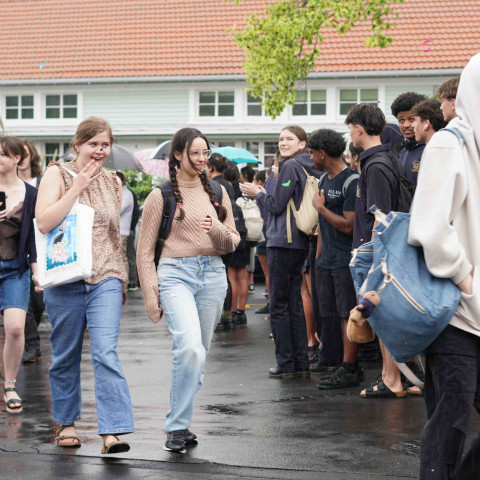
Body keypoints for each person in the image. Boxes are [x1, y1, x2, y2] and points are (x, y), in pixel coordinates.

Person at [136, 127, 239, 453]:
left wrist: (217, 229)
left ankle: (179, 419)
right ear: (178, 155)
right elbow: (143, 251)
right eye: (195, 153)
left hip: (212, 275)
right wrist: (151, 293)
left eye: (205, 153)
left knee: (198, 355)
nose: (201, 159)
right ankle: (176, 427)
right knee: (190, 349)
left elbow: (232, 242)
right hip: (175, 274)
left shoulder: (218, 193)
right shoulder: (160, 196)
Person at [35, 117, 134, 453]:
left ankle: (111, 432)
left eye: (105, 145)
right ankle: (67, 424)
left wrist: (121, 276)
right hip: (65, 277)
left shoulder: (113, 182)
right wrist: (76, 187)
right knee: (66, 353)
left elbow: (114, 236)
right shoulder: (56, 174)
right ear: (77, 144)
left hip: (105, 275)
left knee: (106, 351)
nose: (99, 150)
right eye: (93, 144)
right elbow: (45, 221)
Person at [408, 53, 480, 480]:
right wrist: (466, 280)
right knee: (450, 419)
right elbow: (430, 228)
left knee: (451, 418)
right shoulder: (450, 144)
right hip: (455, 311)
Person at [240, 125, 322, 379]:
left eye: (289, 138)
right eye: (281, 139)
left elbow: (275, 205)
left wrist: (258, 192)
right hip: (298, 240)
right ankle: (299, 361)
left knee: (278, 304)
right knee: (294, 303)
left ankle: (286, 362)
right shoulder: (305, 165)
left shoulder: (290, 166)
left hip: (282, 241)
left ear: (302, 144)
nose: (283, 142)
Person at [345, 104, 406, 398]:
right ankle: (398, 377)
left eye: (350, 129)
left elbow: (379, 217)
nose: (351, 135)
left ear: (358, 128)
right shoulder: (384, 159)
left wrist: (373, 261)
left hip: (379, 253)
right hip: (385, 251)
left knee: (382, 316)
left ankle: (391, 378)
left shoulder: (376, 164)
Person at [308, 129, 362, 389]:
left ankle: (351, 368)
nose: (310, 157)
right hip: (326, 260)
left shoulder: (351, 181)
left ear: (322, 153)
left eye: (311, 152)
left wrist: (321, 208)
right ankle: (338, 363)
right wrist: (318, 257)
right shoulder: (322, 181)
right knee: (329, 313)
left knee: (346, 314)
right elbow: (322, 224)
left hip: (345, 260)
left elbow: (349, 225)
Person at [0, 136, 39, 414]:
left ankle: (10, 384)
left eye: (3, 154)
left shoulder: (31, 193)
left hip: (16, 268)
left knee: (15, 328)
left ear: (16, 158)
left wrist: (37, 271)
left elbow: (35, 236)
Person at [17, 139, 45, 364]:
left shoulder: (43, 182)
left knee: (38, 301)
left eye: (25, 153)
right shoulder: (8, 183)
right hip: (19, 248)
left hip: (43, 244)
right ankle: (32, 344)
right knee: (24, 301)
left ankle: (31, 339)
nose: (21, 158)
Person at [390, 92, 427, 189]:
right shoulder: (402, 152)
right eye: (401, 120)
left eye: (411, 119)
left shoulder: (428, 150)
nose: (406, 125)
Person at [116, 171, 134, 281]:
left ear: (122, 181)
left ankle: (124, 282)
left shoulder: (126, 194)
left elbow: (118, 210)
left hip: (122, 230)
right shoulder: (119, 192)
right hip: (117, 230)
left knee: (122, 257)